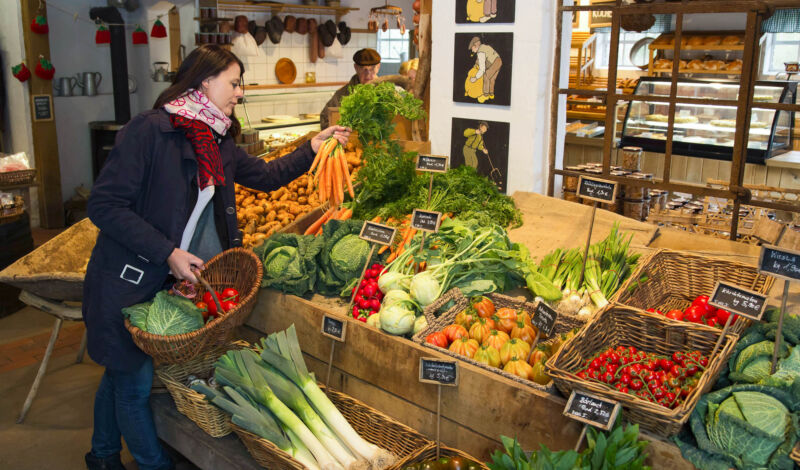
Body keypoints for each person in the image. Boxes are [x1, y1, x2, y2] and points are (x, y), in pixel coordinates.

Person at [82, 44, 350, 470]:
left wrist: (311, 149)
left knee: (120, 372)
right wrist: (167, 251)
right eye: (234, 82)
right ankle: (153, 464)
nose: (240, 93)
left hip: (166, 283)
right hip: (127, 279)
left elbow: (264, 177)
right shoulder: (149, 131)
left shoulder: (215, 138)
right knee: (132, 383)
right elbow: (105, 206)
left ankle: (100, 454)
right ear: (204, 82)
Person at [320, 48, 381, 128]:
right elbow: (325, 119)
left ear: (378, 67)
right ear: (356, 68)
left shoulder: (387, 93)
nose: (368, 74)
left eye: (372, 69)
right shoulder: (342, 94)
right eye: (363, 69)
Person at [468, 36, 502, 104]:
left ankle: (485, 95)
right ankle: (491, 94)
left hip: (495, 62)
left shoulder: (480, 52)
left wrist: (475, 78)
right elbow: (481, 61)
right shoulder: (484, 47)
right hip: (499, 61)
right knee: (492, 79)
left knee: (486, 76)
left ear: (475, 46)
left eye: (472, 48)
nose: (472, 51)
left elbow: (482, 69)